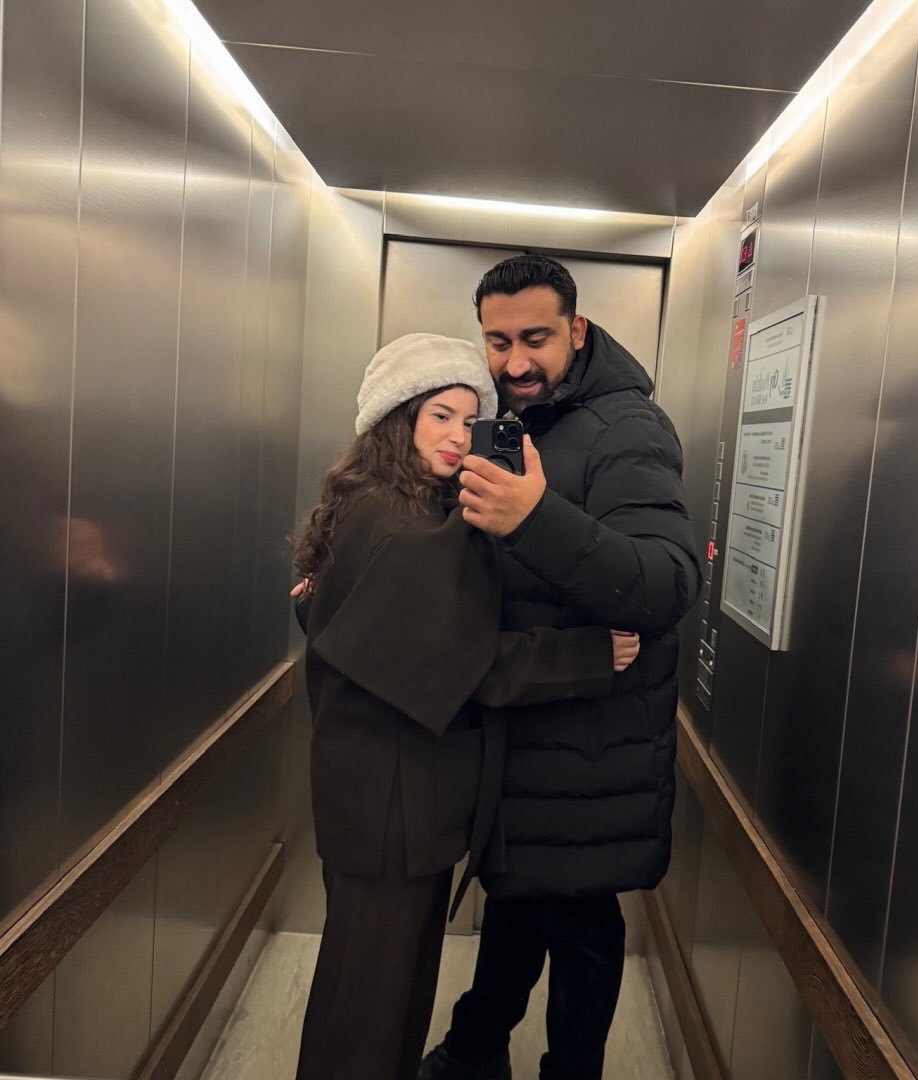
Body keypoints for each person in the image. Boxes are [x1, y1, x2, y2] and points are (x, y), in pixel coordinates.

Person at [290, 332, 641, 1080]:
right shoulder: (397, 522)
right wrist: (587, 656)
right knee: (369, 1007)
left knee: (382, 992)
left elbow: (368, 626)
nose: (457, 435)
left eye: (470, 419)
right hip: (391, 806)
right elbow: (466, 662)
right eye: (440, 416)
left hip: (385, 800)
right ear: (399, 420)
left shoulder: (388, 502)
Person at [421, 257, 701, 1080]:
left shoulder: (628, 428)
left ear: (577, 330)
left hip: (592, 749)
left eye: (535, 338)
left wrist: (534, 518)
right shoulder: (507, 419)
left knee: (580, 927)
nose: (515, 361)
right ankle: (476, 1049)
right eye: (498, 340)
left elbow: (666, 583)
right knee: (519, 900)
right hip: (520, 729)